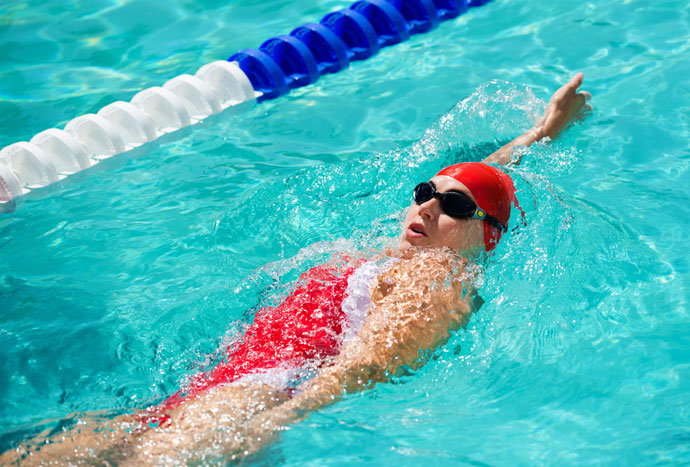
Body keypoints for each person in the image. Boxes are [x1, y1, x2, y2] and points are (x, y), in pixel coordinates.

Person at [1, 73, 591, 465]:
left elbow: (367, 365)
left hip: (254, 398)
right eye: (424, 192)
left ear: (486, 237)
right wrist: (539, 134)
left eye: (452, 205)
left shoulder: (434, 282)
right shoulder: (408, 250)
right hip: (206, 389)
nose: (429, 205)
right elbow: (479, 181)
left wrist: (281, 418)